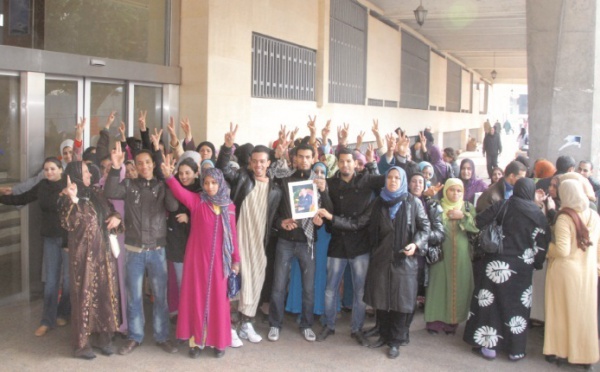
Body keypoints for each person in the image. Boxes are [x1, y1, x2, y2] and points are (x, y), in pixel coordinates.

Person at [104, 145, 179, 355]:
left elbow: (173, 207)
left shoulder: (162, 186)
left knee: (160, 296)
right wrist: (115, 167)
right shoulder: (128, 185)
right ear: (135, 166)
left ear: (154, 165)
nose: (144, 166)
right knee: (134, 296)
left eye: (147, 162)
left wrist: (169, 179)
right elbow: (110, 191)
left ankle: (162, 336)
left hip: (157, 249)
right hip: (134, 249)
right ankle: (134, 336)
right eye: (139, 163)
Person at [464, 178, 550, 361]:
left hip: (496, 263)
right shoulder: (538, 214)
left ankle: (489, 348)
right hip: (522, 268)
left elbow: (478, 221)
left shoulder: (504, 205)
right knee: (517, 309)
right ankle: (515, 350)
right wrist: (537, 262)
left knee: (491, 306)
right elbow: (542, 244)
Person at [163, 163, 241, 358]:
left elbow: (232, 235)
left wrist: (236, 260)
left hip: (219, 263)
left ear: (221, 183)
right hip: (196, 261)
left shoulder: (229, 207)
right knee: (196, 299)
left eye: (214, 183)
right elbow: (180, 193)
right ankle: (196, 342)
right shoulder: (197, 201)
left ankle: (218, 342)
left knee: (218, 301)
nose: (210, 187)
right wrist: (168, 177)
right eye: (206, 183)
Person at [218, 127, 283, 345]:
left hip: (260, 243)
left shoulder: (275, 188)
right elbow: (222, 168)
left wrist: (281, 223)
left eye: (262, 161)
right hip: (239, 239)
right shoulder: (242, 178)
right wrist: (227, 148)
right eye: (254, 161)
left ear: (269, 163)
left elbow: (273, 217)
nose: (258, 165)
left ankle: (246, 323)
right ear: (249, 162)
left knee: (256, 282)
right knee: (237, 281)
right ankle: (231, 326)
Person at [314, 147, 384, 346]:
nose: (345, 165)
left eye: (349, 161)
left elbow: (386, 180)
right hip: (337, 242)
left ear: (355, 163)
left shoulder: (366, 180)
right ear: (338, 163)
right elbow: (328, 210)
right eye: (342, 161)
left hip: (360, 243)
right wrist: (323, 191)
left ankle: (357, 328)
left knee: (360, 291)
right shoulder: (330, 183)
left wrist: (372, 163)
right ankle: (328, 324)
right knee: (330, 288)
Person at [361, 166, 430, 359]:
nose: (392, 181)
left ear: (403, 182)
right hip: (381, 259)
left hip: (404, 261)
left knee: (400, 302)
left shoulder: (413, 202)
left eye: (397, 178)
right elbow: (362, 223)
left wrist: (415, 244)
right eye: (389, 177)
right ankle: (383, 336)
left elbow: (425, 228)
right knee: (382, 300)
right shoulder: (378, 202)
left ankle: (395, 342)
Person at [59, 161, 123, 359]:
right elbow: (68, 223)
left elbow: (111, 210)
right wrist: (72, 199)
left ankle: (104, 338)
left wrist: (116, 218)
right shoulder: (65, 198)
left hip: (104, 254)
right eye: (85, 172)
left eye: (88, 171)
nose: (89, 175)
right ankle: (82, 344)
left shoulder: (96, 193)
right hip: (83, 257)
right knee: (84, 296)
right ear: (76, 175)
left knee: (105, 294)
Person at [0, 157, 70, 337]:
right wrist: (4, 197)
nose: (49, 172)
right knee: (51, 282)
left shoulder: (69, 184)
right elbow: (22, 198)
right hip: (50, 239)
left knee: (69, 282)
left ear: (60, 169)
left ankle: (63, 312)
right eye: (46, 170)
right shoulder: (42, 186)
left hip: (69, 240)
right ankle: (47, 320)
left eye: (53, 169)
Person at [268, 143, 327, 343]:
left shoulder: (318, 183)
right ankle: (275, 324)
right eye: (300, 156)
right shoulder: (284, 179)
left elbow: (328, 210)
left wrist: (320, 221)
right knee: (278, 285)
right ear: (294, 158)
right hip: (285, 241)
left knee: (308, 288)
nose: (303, 160)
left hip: (307, 242)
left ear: (313, 158)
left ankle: (307, 325)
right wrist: (279, 223)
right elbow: (273, 211)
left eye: (307, 156)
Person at [544, 179, 600, 368]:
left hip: (565, 272)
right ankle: (586, 356)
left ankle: (561, 352)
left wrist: (545, 250)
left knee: (561, 314)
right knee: (585, 315)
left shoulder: (565, 217)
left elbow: (562, 250)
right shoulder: (594, 215)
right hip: (588, 272)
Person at [424, 179, 478, 335]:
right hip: (440, 254)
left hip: (462, 255)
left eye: (459, 191)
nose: (455, 194)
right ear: (445, 191)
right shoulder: (436, 205)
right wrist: (427, 197)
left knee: (459, 286)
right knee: (438, 286)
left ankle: (452, 322)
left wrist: (462, 216)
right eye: (452, 190)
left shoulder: (468, 207)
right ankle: (434, 321)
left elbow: (475, 227)